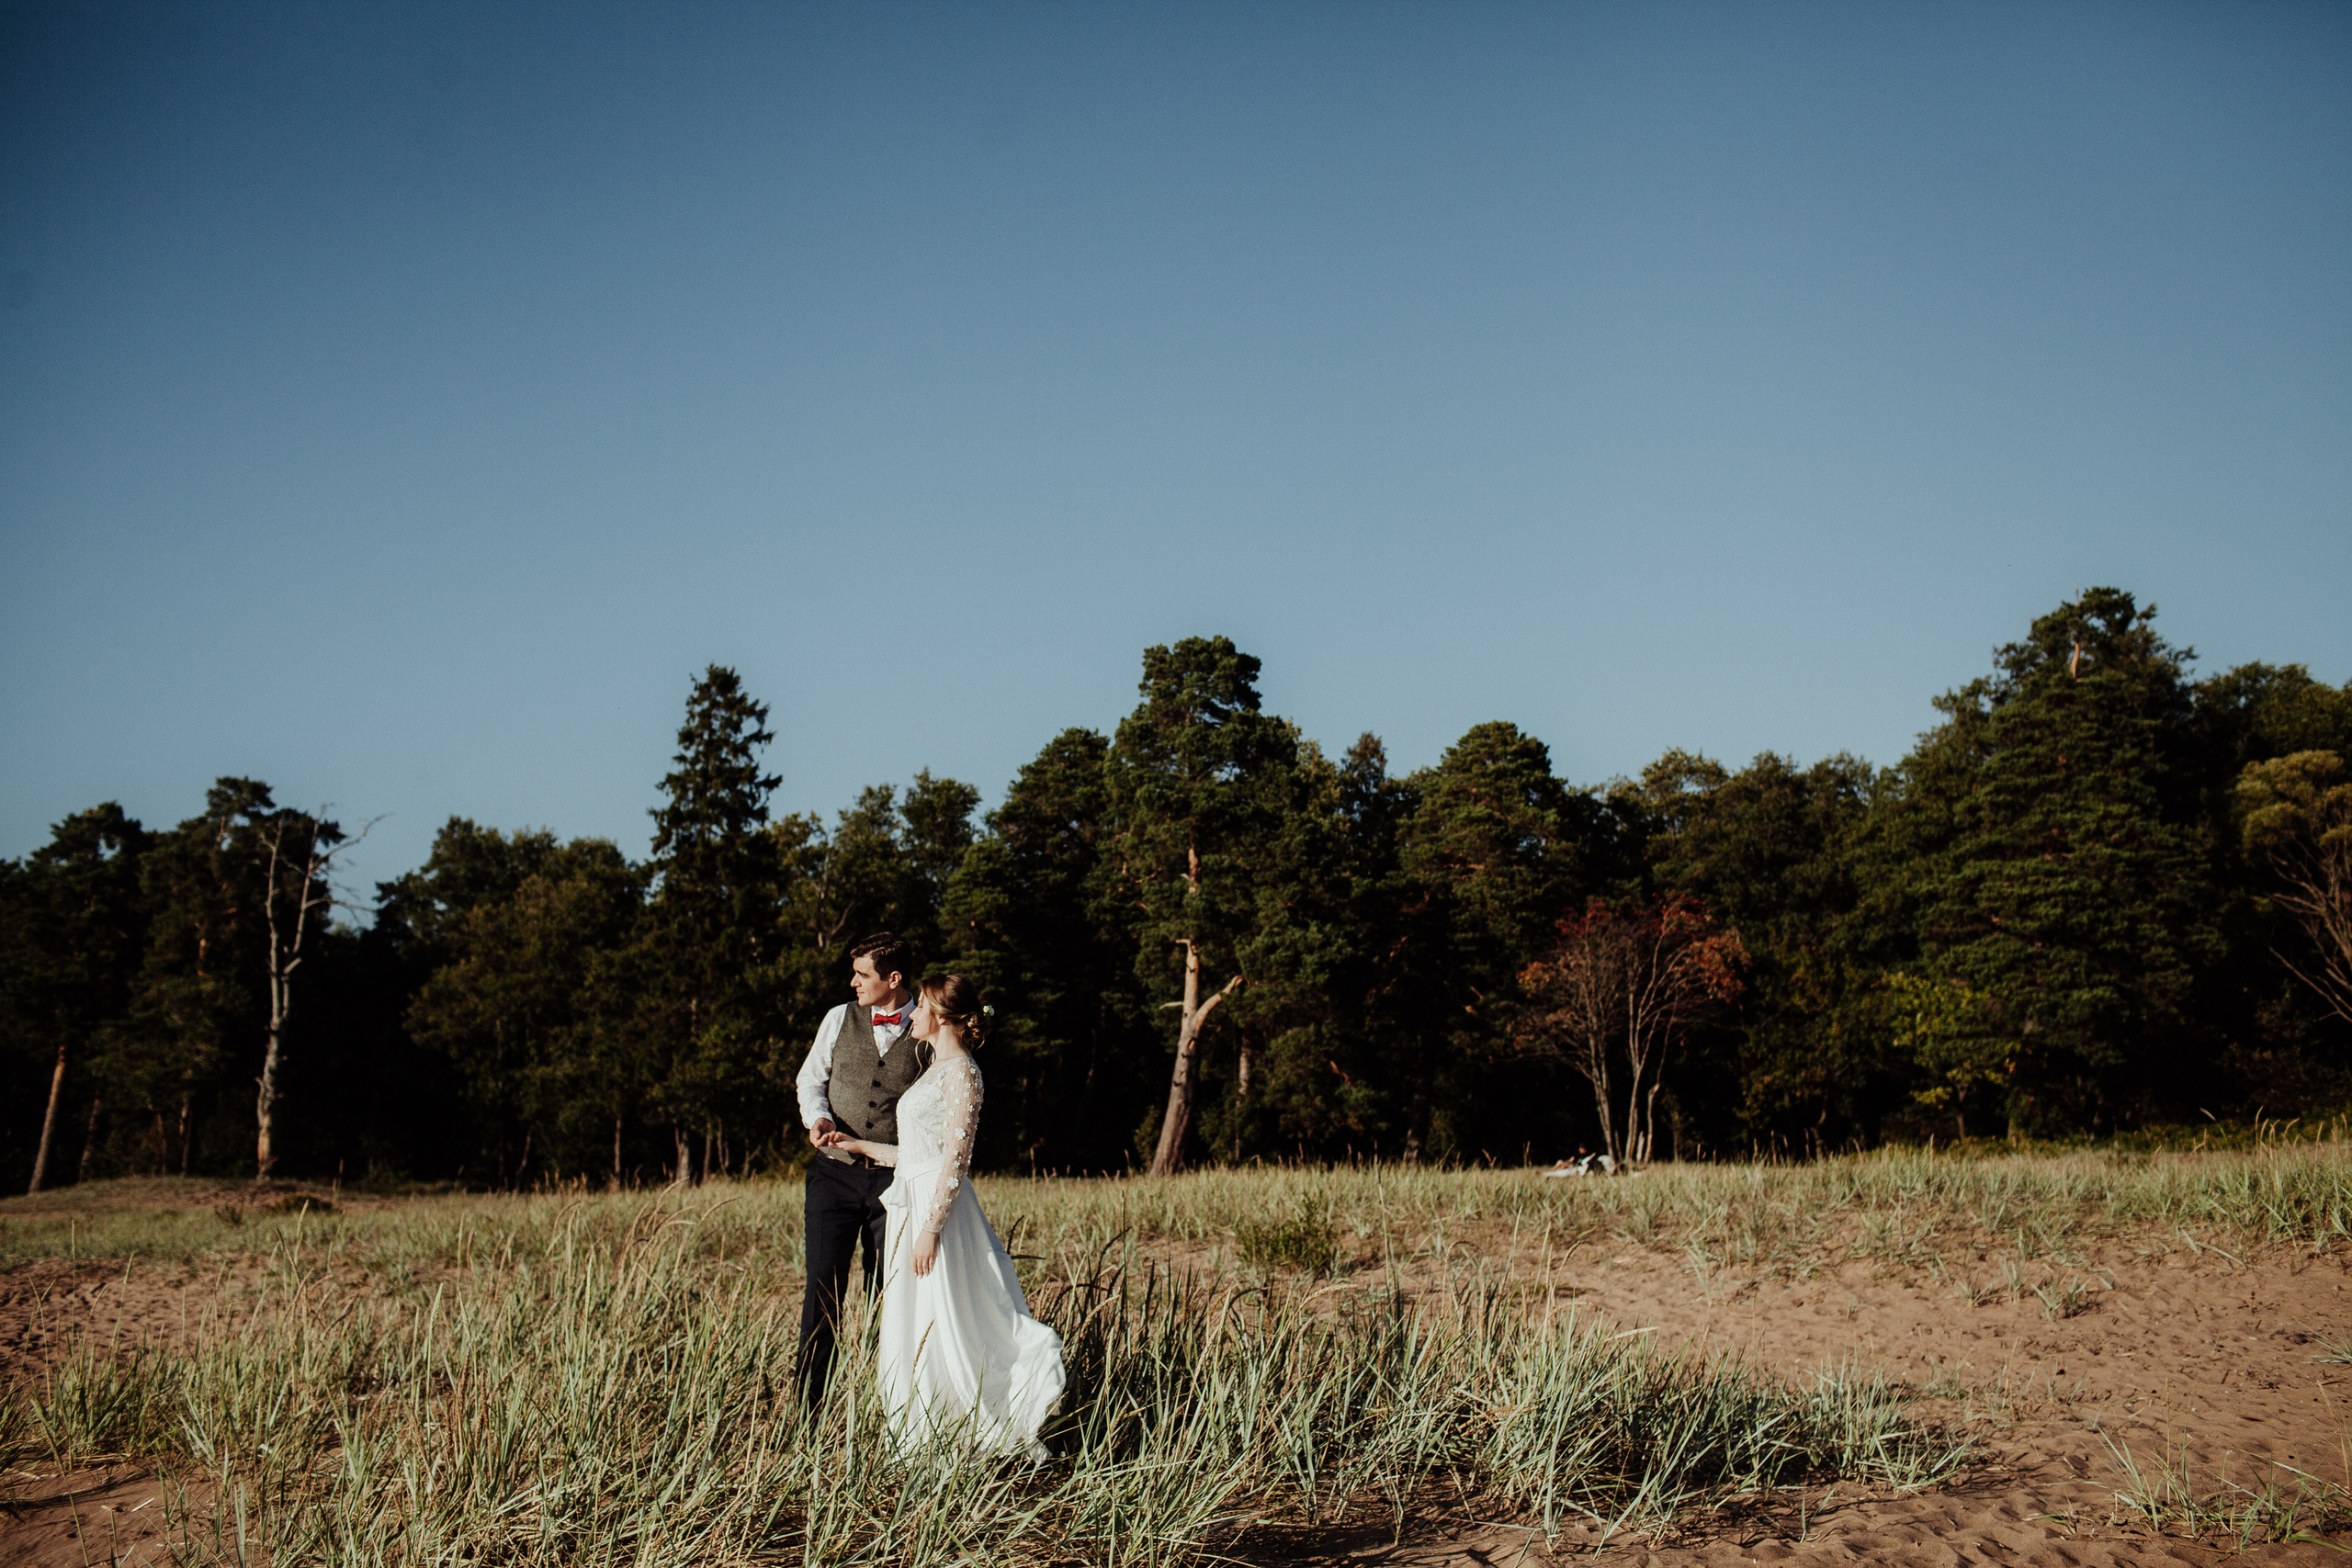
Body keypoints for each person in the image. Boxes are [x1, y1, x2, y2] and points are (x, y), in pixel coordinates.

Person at [820, 974, 1066, 1458]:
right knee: (915, 1317)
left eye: (919, 1008)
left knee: (948, 1316)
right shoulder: (934, 1070)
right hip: (912, 1203)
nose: (911, 1014)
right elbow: (914, 1153)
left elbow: (955, 1157)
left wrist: (930, 1229)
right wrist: (856, 1144)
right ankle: (923, 1429)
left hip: (938, 1214)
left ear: (939, 1016)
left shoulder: (963, 1074)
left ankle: (977, 1420)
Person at [793, 931, 929, 1403]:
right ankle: (807, 1410)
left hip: (896, 1180)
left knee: (889, 1296)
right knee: (822, 1291)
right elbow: (810, 1080)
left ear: (893, 979)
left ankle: (884, 1406)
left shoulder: (928, 1028)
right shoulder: (838, 1019)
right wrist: (819, 1117)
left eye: (862, 973)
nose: (852, 982)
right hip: (832, 1174)